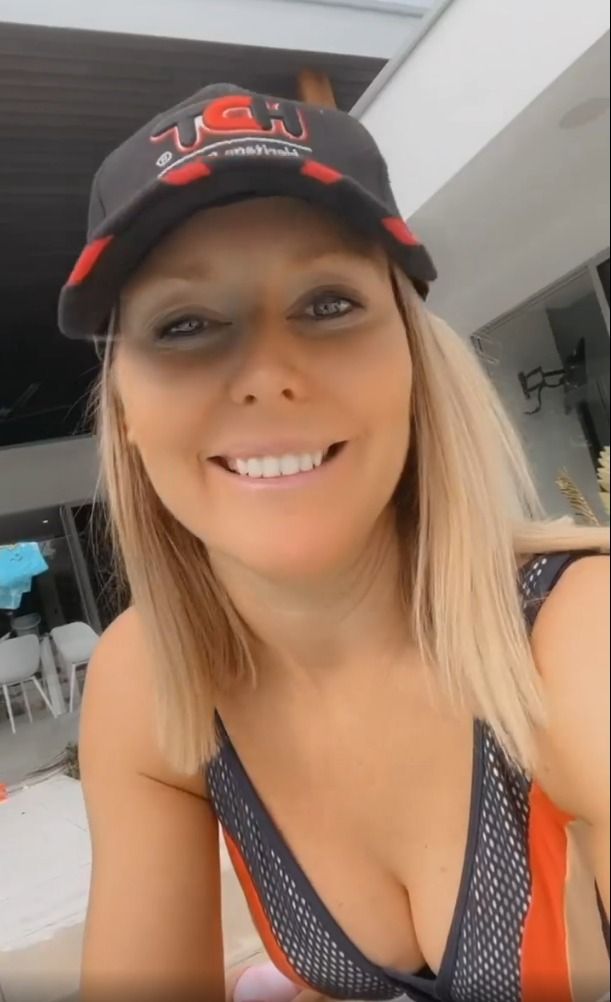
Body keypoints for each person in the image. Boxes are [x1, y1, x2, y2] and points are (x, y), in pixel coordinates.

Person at [57, 83, 610, 1002]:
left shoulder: (580, 641)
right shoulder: (146, 684)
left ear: (412, 358)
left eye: (326, 303)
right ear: (124, 412)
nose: (267, 374)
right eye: (184, 324)